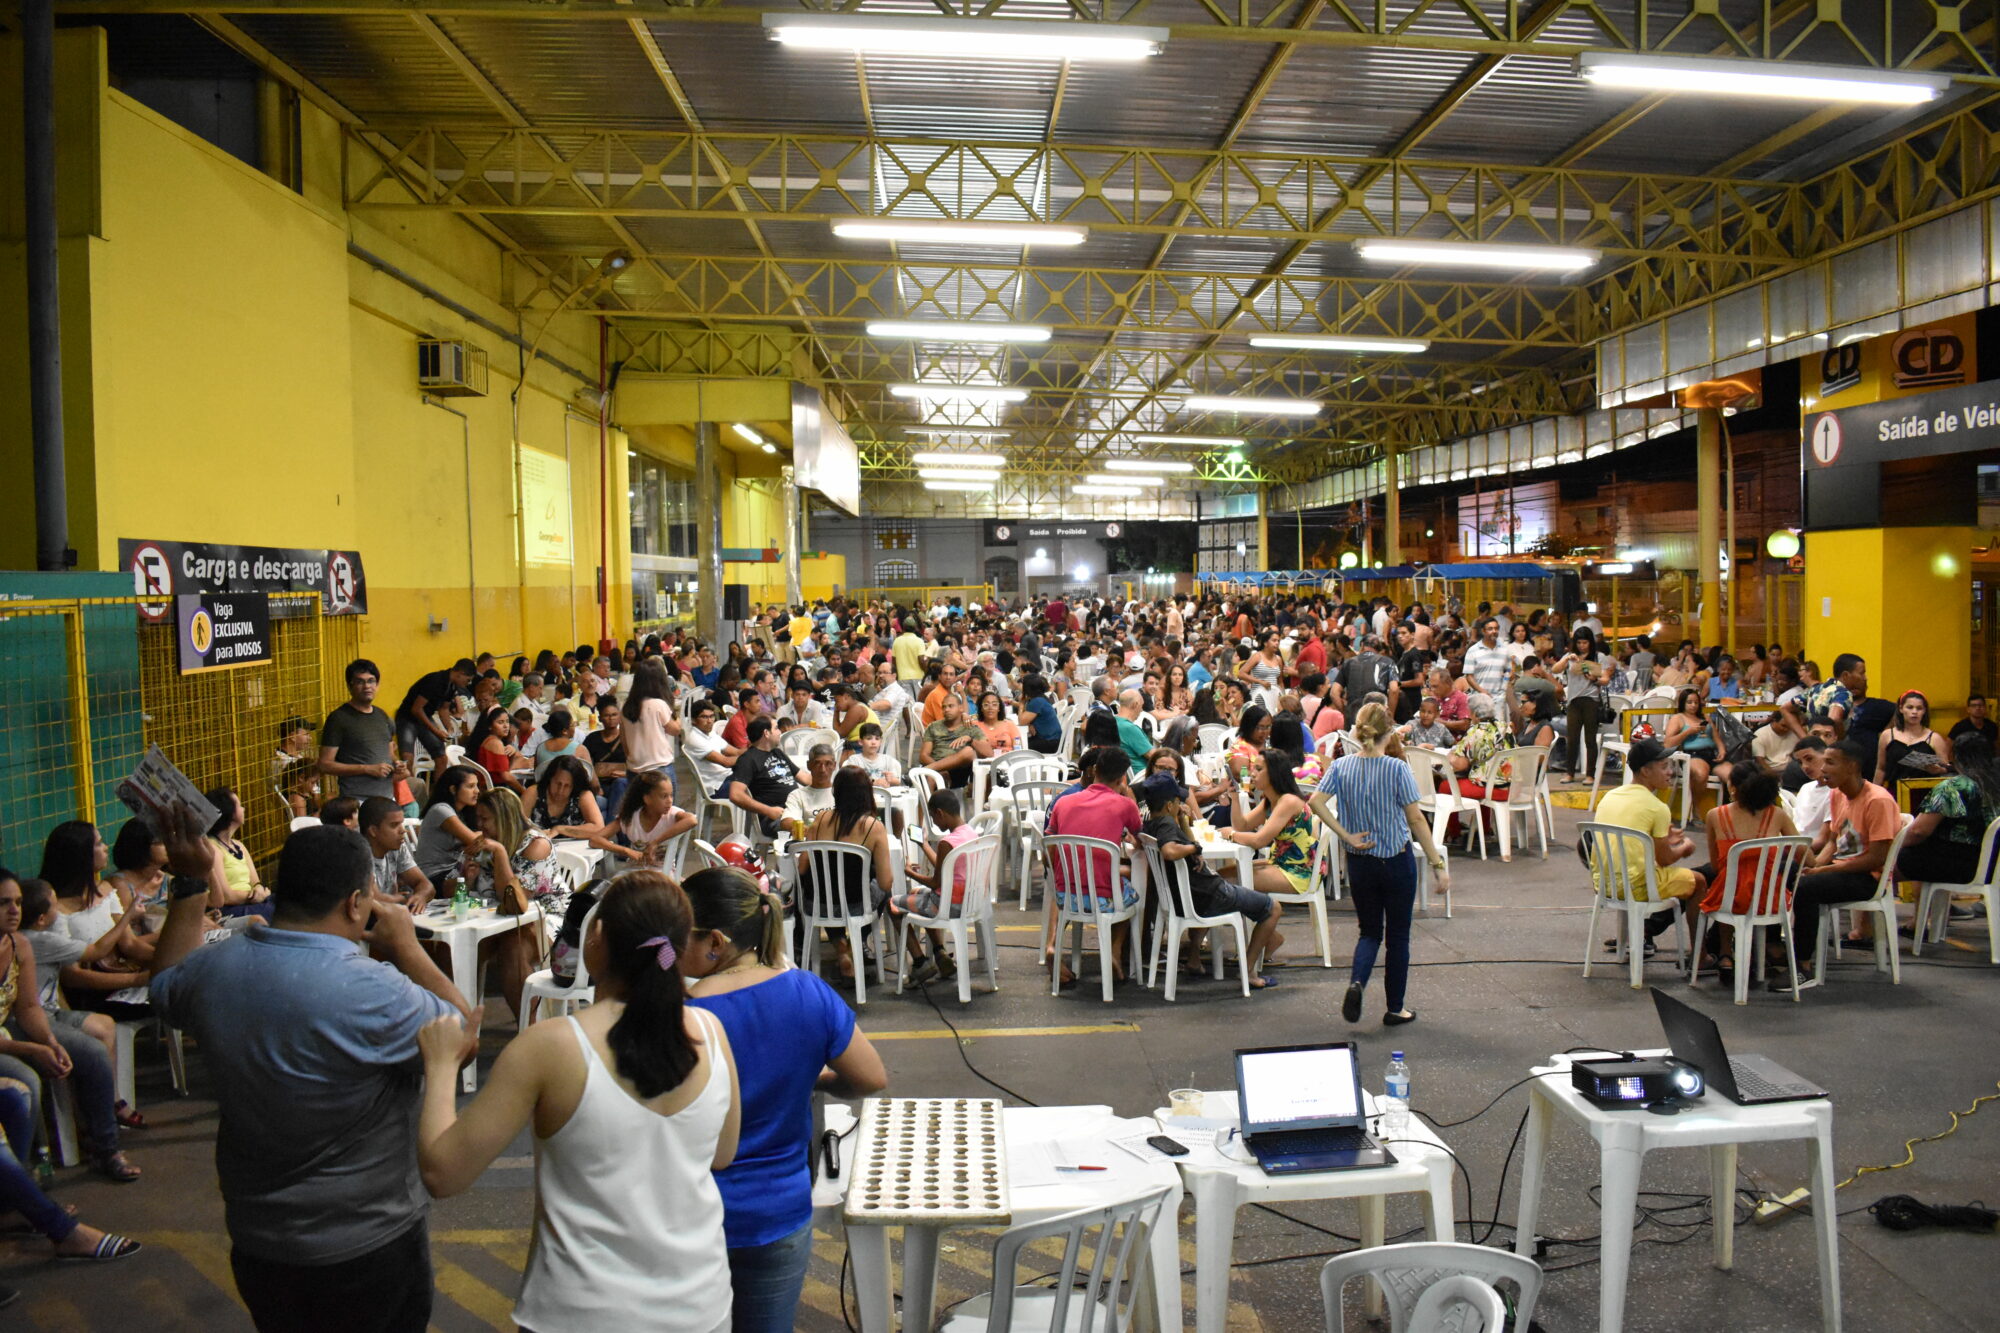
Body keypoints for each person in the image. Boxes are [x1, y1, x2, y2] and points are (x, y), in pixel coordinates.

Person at [149, 812, 474, 1332]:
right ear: (354, 903)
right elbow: (461, 1035)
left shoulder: (215, 969)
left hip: (259, 1244)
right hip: (367, 1243)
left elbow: (165, 984)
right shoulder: (374, 990)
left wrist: (190, 883)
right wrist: (408, 947)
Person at [415, 872, 740, 1333]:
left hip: (580, 1313)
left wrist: (443, 1065)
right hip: (700, 1305)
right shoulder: (710, 1032)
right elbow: (722, 1155)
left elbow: (442, 1172)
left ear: (597, 939)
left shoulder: (551, 1046)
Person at [678, 866, 886, 1333]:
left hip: (692, 1219)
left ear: (715, 941)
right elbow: (870, 1077)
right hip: (781, 1212)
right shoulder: (807, 992)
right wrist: (819, 1079)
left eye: (678, 936)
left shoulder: (684, 1016)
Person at [0, 872, 140, 1264]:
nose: (14, 911)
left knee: (91, 1053)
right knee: (22, 1082)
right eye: (3, 904)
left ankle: (105, 1148)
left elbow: (28, 1007)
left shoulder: (19, 944)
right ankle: (21, 1193)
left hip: (25, 1026)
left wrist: (51, 1042)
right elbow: (93, 954)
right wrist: (32, 1047)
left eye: (16, 902)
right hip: (6, 1037)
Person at [1309, 702, 1450, 1025]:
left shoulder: (1341, 767)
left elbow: (1316, 802)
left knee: (1369, 932)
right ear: (1390, 731)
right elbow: (1415, 819)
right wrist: (1437, 863)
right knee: (1398, 936)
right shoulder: (1397, 768)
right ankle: (1395, 1007)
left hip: (1361, 861)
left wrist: (1346, 835)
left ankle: (1357, 981)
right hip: (1396, 860)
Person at [1137, 772, 1283, 989]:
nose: (1182, 803)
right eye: (1179, 801)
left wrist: (1184, 821)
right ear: (1170, 805)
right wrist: (1193, 848)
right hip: (1208, 896)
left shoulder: (1153, 823)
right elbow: (1169, 850)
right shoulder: (1167, 825)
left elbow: (1182, 842)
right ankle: (1249, 971)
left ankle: (1197, 959)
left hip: (1189, 896)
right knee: (1272, 908)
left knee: (1238, 889)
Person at [1784, 740, 1901, 987]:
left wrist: (1824, 871)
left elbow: (1877, 858)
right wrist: (1815, 866)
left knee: (1806, 888)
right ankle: (1774, 950)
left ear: (1852, 767)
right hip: (1841, 867)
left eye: (1830, 762)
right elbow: (1835, 842)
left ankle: (1802, 966)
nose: (1823, 768)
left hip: (1868, 878)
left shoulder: (1878, 801)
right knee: (1779, 871)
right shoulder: (1838, 794)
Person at [1589, 738, 1706, 949]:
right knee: (1699, 881)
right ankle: (1701, 955)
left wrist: (1660, 840)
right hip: (1636, 887)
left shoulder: (1610, 796)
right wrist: (1684, 848)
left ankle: (1642, 934)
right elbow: (1664, 860)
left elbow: (1630, 841)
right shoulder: (1657, 808)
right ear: (1645, 771)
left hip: (1603, 883)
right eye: (1664, 767)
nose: (1670, 772)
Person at [1044, 748, 1143, 985]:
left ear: (1094, 771)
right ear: (1122, 778)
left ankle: (1052, 944)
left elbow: (1050, 845)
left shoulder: (1063, 802)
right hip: (1102, 899)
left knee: (1070, 881)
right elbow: (1139, 840)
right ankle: (1115, 951)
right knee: (1133, 892)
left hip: (1066, 895)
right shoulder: (1124, 805)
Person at [1692, 767, 1799, 978]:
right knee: (1765, 882)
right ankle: (1769, 950)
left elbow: (1716, 864)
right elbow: (1803, 852)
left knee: (1725, 884)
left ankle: (1725, 952)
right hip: (1769, 899)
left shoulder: (1715, 815)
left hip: (1729, 898)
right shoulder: (1777, 815)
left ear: (1733, 788)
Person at [890, 789, 980, 981]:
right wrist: (923, 844)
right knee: (916, 893)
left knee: (893, 905)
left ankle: (920, 962)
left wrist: (910, 873)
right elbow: (944, 864)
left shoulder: (947, 842)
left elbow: (935, 882)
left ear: (940, 813)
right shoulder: (970, 833)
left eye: (933, 817)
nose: (935, 822)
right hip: (969, 900)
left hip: (946, 905)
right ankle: (940, 954)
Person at [1219, 748, 1321, 904]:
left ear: (1274, 773)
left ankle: (1252, 925)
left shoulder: (1288, 801)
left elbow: (1259, 840)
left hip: (1297, 872)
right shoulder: (1271, 799)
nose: (1252, 774)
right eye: (1253, 768)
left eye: (1259, 769)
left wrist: (1231, 834)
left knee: (1222, 883)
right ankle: (1253, 925)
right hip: (1280, 863)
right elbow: (1243, 825)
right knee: (1218, 876)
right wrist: (1234, 798)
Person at [1898, 733, 2000, 888]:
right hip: (1993, 864)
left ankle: (1877, 907)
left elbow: (1918, 832)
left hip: (1964, 866)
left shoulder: (1954, 787)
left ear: (1956, 756)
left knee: (1894, 860)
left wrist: (1893, 846)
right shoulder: (1994, 784)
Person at [319, 658, 406, 803]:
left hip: (386, 798)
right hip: (356, 800)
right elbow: (324, 764)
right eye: (360, 682)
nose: (367, 686)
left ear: (377, 685)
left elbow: (390, 753)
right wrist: (366, 769)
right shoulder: (338, 718)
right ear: (349, 686)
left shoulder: (382, 716)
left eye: (371, 681)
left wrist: (398, 764)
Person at [412, 764, 487, 886]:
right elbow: (475, 841)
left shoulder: (463, 813)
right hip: (434, 876)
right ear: (453, 789)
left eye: (477, 785)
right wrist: (482, 835)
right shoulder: (441, 810)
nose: (477, 791)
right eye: (470, 786)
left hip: (454, 871)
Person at [726, 718, 801, 840]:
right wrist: (769, 811)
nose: (779, 732)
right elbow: (735, 794)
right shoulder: (748, 759)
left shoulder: (777, 753)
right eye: (776, 728)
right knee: (812, 829)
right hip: (775, 818)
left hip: (796, 809)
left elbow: (804, 778)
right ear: (766, 733)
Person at [1553, 628, 1610, 784]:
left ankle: (1590, 774)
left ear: (1591, 642)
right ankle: (1569, 772)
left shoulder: (1599, 657)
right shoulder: (1570, 657)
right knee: (1572, 738)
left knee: (1590, 739)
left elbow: (1605, 679)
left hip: (1591, 699)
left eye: (1585, 642)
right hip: (1573, 700)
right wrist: (1567, 660)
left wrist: (1593, 677)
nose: (1582, 646)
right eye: (1578, 643)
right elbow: (1555, 669)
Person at [395, 658, 474, 767]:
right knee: (407, 758)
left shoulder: (452, 686)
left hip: (424, 716)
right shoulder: (435, 680)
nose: (468, 683)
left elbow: (444, 709)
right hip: (407, 717)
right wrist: (436, 731)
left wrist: (449, 728)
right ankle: (410, 783)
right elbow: (416, 709)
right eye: (468, 680)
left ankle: (439, 784)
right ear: (461, 673)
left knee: (441, 757)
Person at [617, 771, 699, 868]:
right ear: (647, 799)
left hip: (662, 873)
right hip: (634, 872)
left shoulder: (672, 814)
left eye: (671, 795)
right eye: (664, 796)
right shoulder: (631, 817)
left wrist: (656, 842)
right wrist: (625, 850)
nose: (670, 801)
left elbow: (692, 820)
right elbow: (596, 838)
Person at [1876, 689, 1951, 795]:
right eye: (1910, 707)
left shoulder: (1935, 738)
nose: (1914, 712)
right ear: (1901, 709)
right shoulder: (1887, 735)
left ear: (1924, 711)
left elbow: (1946, 769)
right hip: (1894, 793)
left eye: (1919, 708)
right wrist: (1874, 793)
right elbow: (1881, 769)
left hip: (1925, 794)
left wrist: (1938, 769)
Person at [360, 797, 433, 906]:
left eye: (401, 824)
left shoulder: (397, 847)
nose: (403, 830)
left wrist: (420, 896)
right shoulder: (358, 854)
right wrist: (403, 898)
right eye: (394, 825)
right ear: (373, 831)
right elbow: (373, 901)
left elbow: (426, 885)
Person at [622, 659, 683, 788]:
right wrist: (677, 716)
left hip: (634, 769)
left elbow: (624, 742)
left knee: (639, 808)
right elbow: (675, 730)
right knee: (667, 807)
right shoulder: (658, 705)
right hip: (659, 768)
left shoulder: (627, 707)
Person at [919, 692, 991, 789]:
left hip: (958, 770)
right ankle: (927, 802)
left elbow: (989, 753)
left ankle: (930, 770)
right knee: (932, 777)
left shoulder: (970, 728)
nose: (946, 709)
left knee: (969, 751)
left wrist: (970, 739)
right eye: (944, 707)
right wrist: (940, 770)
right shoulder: (933, 727)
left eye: (950, 706)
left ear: (961, 708)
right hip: (935, 765)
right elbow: (923, 755)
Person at [684, 698, 743, 803]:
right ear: (693, 720)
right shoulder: (694, 738)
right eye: (704, 717)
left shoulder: (710, 733)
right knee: (759, 783)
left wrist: (756, 749)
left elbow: (736, 752)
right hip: (716, 787)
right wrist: (752, 756)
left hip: (726, 777)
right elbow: (726, 762)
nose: (710, 721)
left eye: (711, 716)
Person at [583, 699, 631, 816]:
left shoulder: (628, 738)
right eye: (607, 715)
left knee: (619, 784)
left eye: (614, 715)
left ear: (620, 717)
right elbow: (584, 763)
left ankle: (610, 824)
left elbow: (639, 764)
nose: (611, 718)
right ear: (600, 718)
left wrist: (624, 774)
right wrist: (595, 784)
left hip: (623, 782)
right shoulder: (592, 738)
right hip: (599, 784)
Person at [781, 746, 839, 839]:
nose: (822, 770)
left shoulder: (843, 792)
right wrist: (813, 832)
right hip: (810, 846)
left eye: (828, 763)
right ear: (809, 765)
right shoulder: (797, 795)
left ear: (834, 765)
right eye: (817, 763)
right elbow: (786, 821)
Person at [273, 715, 322, 817]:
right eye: (306, 734)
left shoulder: (294, 756)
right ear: (292, 736)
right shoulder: (283, 761)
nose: (310, 738)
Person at [1805, 653, 1864, 735]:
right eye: (1861, 673)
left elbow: (1786, 708)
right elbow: (1834, 718)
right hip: (1828, 745)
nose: (1865, 677)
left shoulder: (1816, 689)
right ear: (1845, 675)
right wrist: (1839, 740)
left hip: (1811, 743)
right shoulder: (1843, 693)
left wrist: (1803, 736)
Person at [532, 709, 585, 780]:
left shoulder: (540, 748)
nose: (574, 728)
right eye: (572, 725)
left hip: (545, 789)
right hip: (571, 790)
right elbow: (592, 781)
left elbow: (537, 774)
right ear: (564, 731)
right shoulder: (579, 749)